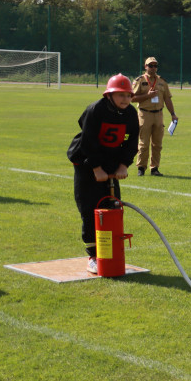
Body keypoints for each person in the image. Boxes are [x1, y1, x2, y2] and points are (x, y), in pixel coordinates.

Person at [67, 74, 139, 274]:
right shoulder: (95, 110)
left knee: (113, 206)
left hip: (111, 162)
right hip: (86, 162)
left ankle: (110, 251)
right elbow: (88, 141)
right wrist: (96, 168)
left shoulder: (131, 114)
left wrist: (124, 165)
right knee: (90, 209)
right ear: (109, 95)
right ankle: (93, 255)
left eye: (128, 95)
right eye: (120, 95)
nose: (125, 99)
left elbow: (132, 141)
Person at [131, 56, 178, 177]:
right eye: (150, 65)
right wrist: (147, 96)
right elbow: (132, 98)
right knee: (144, 143)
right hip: (144, 113)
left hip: (158, 114)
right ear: (145, 66)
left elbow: (167, 99)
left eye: (155, 65)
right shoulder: (140, 80)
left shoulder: (162, 81)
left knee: (157, 144)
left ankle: (154, 168)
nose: (153, 68)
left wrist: (173, 114)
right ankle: (141, 168)